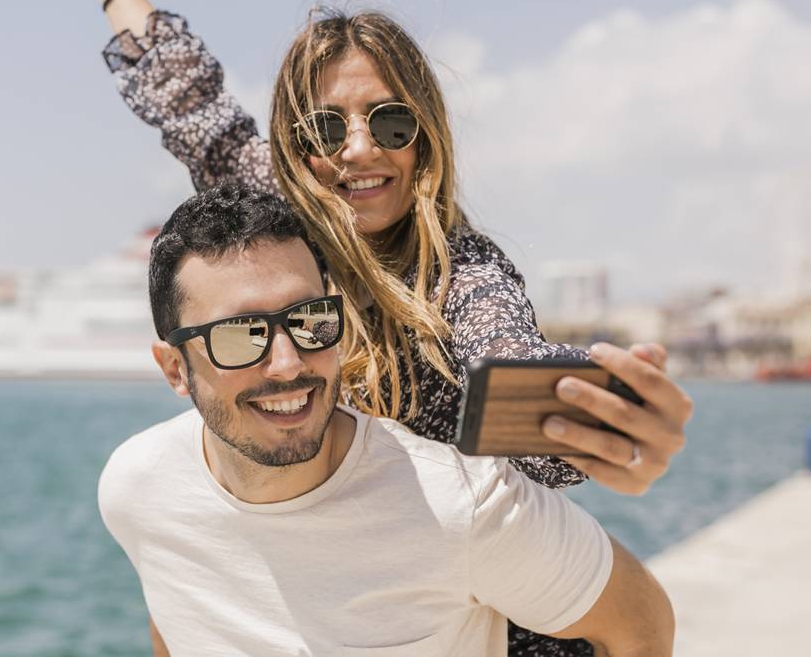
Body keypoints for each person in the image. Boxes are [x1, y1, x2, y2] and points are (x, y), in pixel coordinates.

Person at [71, 0, 693, 657]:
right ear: (294, 144)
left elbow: (508, 360)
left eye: (391, 122)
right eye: (327, 128)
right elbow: (182, 93)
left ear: (424, 136)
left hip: (480, 620)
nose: (360, 149)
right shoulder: (274, 204)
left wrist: (603, 430)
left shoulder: (462, 274)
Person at [99, 183, 675, 656]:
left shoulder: (461, 504)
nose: (288, 363)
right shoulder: (138, 486)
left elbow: (641, 623)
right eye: (239, 336)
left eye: (309, 320)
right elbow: (174, 617)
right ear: (174, 368)